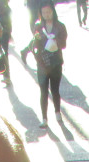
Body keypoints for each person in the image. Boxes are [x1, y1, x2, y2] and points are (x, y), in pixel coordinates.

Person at [23, 1, 66, 129]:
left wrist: (55, 41)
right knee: (43, 91)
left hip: (56, 62)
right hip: (42, 63)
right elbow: (34, 44)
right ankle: (44, 118)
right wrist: (38, 42)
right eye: (44, 13)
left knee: (55, 89)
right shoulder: (37, 27)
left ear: (53, 12)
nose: (47, 15)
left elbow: (64, 44)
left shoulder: (60, 26)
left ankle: (57, 113)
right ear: (40, 14)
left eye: (49, 12)